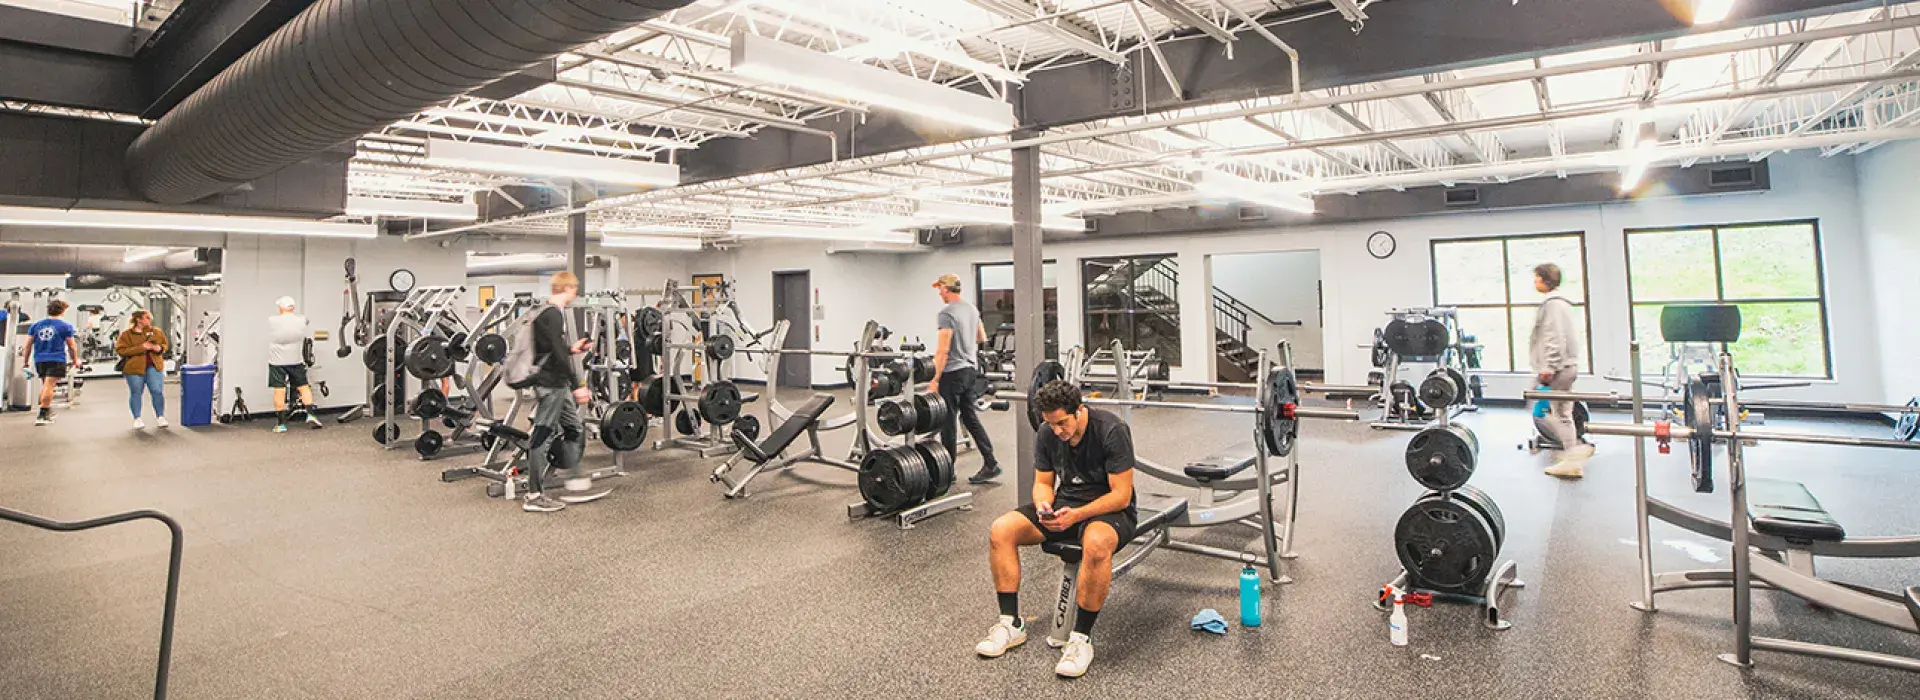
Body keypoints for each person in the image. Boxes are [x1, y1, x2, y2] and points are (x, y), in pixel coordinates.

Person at [976, 380, 1137, 679]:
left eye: (1063, 423)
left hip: (1110, 511)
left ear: (1079, 410)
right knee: (1002, 529)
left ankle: (1081, 639)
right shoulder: (1048, 432)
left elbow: (1121, 495)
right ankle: (1011, 623)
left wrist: (1076, 515)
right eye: (1052, 424)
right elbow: (1043, 483)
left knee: (1097, 544)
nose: (1058, 431)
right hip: (1065, 508)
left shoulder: (1111, 430)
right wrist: (1043, 507)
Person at [521, 271, 610, 513]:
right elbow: (556, 356)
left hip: (555, 383)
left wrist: (572, 348)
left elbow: (554, 349)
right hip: (552, 384)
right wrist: (578, 385)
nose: (576, 294)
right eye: (574, 289)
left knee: (574, 428)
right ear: (567, 288)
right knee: (542, 436)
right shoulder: (551, 314)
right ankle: (534, 495)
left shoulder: (548, 313)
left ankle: (575, 480)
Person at [926, 274, 1000, 484]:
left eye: (939, 288)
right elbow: (981, 337)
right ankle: (991, 463)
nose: (939, 292)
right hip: (970, 371)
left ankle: (946, 472)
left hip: (952, 372)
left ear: (947, 289)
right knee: (969, 417)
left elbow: (943, 349)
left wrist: (934, 379)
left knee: (947, 420)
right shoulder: (971, 309)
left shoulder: (946, 313)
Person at [1530, 263, 1592, 478]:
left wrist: (1549, 367)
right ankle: (1572, 457)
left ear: (1545, 280)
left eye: (1537, 278)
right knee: (1563, 414)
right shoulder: (1562, 303)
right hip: (1567, 365)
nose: (1534, 282)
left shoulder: (1553, 305)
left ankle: (1574, 451)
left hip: (1559, 367)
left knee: (1556, 414)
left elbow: (1554, 337)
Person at [266, 297, 322, 433]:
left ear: (281, 307)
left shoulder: (273, 320)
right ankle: (311, 414)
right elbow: (306, 320)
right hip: (296, 360)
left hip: (277, 362)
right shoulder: (301, 320)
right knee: (303, 387)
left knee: (279, 390)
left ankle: (281, 424)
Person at [27, 300, 78, 426]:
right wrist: (75, 360)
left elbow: (28, 346)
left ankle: (47, 411)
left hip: (40, 359)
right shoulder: (65, 326)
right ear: (62, 311)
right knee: (49, 386)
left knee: (46, 385)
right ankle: (42, 414)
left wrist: (25, 362)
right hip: (56, 358)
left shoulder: (36, 325)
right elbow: (72, 346)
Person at [116, 310, 169, 430]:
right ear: (138, 320)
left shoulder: (156, 332)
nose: (149, 321)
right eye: (147, 318)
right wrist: (141, 348)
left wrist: (159, 348)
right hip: (134, 368)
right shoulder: (126, 335)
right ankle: (137, 418)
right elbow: (121, 350)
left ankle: (160, 416)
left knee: (157, 391)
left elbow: (165, 345)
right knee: (136, 392)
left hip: (154, 366)